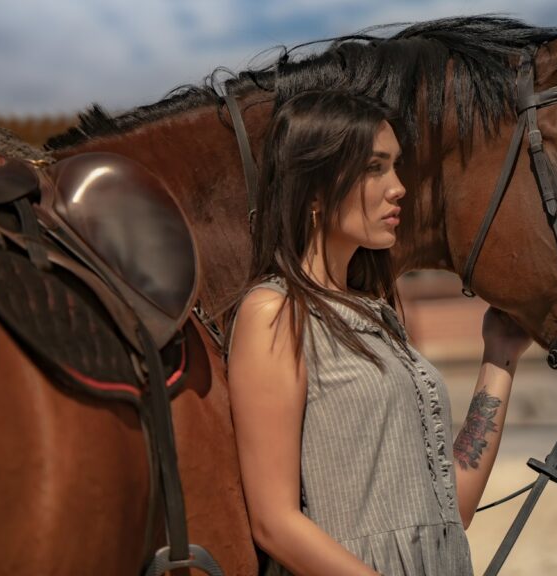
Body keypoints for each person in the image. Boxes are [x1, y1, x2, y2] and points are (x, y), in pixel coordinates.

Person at [226, 90, 532, 576]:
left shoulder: (378, 317)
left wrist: (500, 357)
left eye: (395, 166)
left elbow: (453, 510)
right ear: (315, 190)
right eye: (375, 167)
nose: (399, 187)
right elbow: (274, 521)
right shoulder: (275, 312)